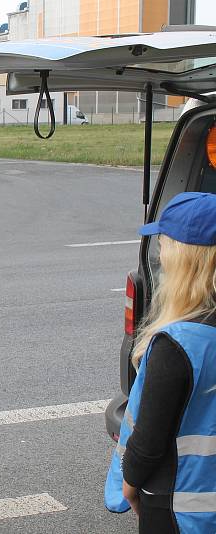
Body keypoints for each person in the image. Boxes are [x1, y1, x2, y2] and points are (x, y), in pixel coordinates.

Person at [105, 192, 216, 533]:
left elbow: (150, 441)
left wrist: (129, 484)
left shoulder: (178, 345)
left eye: (166, 243)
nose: (161, 254)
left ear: (187, 259)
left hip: (178, 510)